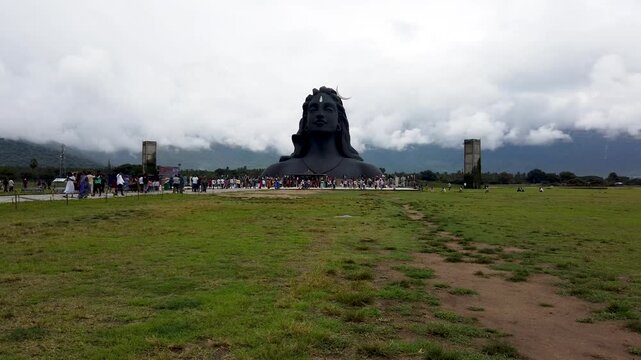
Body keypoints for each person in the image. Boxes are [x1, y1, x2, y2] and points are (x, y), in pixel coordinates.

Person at [262, 87, 382, 178]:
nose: (320, 114)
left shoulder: (366, 172)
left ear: (339, 122)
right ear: (305, 121)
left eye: (328, 109)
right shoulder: (276, 172)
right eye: (314, 109)